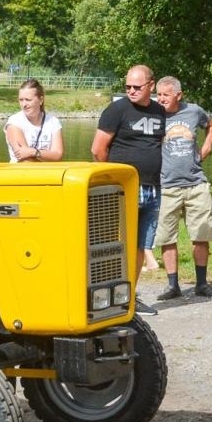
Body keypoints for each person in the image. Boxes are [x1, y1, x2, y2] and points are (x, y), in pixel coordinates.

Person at [92, 65, 166, 273]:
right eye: (128, 87)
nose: (131, 91)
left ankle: (132, 290)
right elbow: (98, 149)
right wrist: (112, 177)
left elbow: (158, 144)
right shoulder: (117, 110)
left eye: (137, 87)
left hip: (152, 188)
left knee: (142, 245)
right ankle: (115, 286)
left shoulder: (159, 111)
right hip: (125, 188)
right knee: (120, 242)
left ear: (151, 86)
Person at [152, 77, 212, 300]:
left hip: (195, 184)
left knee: (201, 234)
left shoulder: (193, 111)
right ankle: (173, 286)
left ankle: (202, 284)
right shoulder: (154, 114)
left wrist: (205, 149)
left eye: (166, 95)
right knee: (166, 237)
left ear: (178, 95)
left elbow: (211, 125)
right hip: (166, 186)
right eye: (158, 94)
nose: (161, 99)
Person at [4, 79, 62, 163]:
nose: (24, 104)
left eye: (28, 100)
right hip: (21, 170)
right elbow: (24, 159)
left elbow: (58, 155)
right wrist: (47, 156)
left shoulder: (54, 122)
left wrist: (33, 152)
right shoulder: (14, 123)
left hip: (47, 171)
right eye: (21, 100)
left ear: (41, 100)